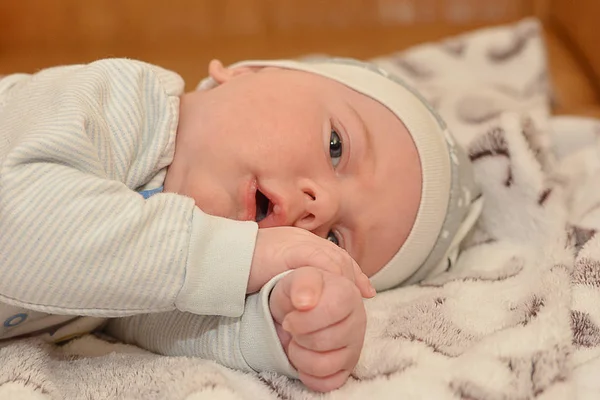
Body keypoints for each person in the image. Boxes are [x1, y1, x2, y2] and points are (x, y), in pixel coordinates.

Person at [0, 56, 482, 392]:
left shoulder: (157, 264)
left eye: (335, 241)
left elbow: (163, 320)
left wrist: (284, 325)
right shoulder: (115, 102)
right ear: (243, 74)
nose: (323, 205)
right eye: (336, 145)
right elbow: (18, 234)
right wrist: (240, 256)